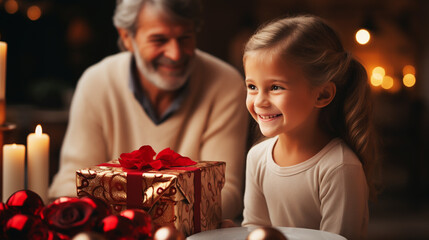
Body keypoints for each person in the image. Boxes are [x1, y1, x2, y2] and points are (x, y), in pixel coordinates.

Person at [48, 0, 249, 220]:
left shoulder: (226, 84)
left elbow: (223, 191)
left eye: (185, 38)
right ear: (127, 38)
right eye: (159, 40)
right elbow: (71, 183)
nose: (175, 54)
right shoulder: (96, 82)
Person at [241, 15, 377, 239]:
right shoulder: (257, 157)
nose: (259, 102)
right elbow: (255, 229)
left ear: (322, 94)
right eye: (252, 86)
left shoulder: (339, 168)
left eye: (275, 87)